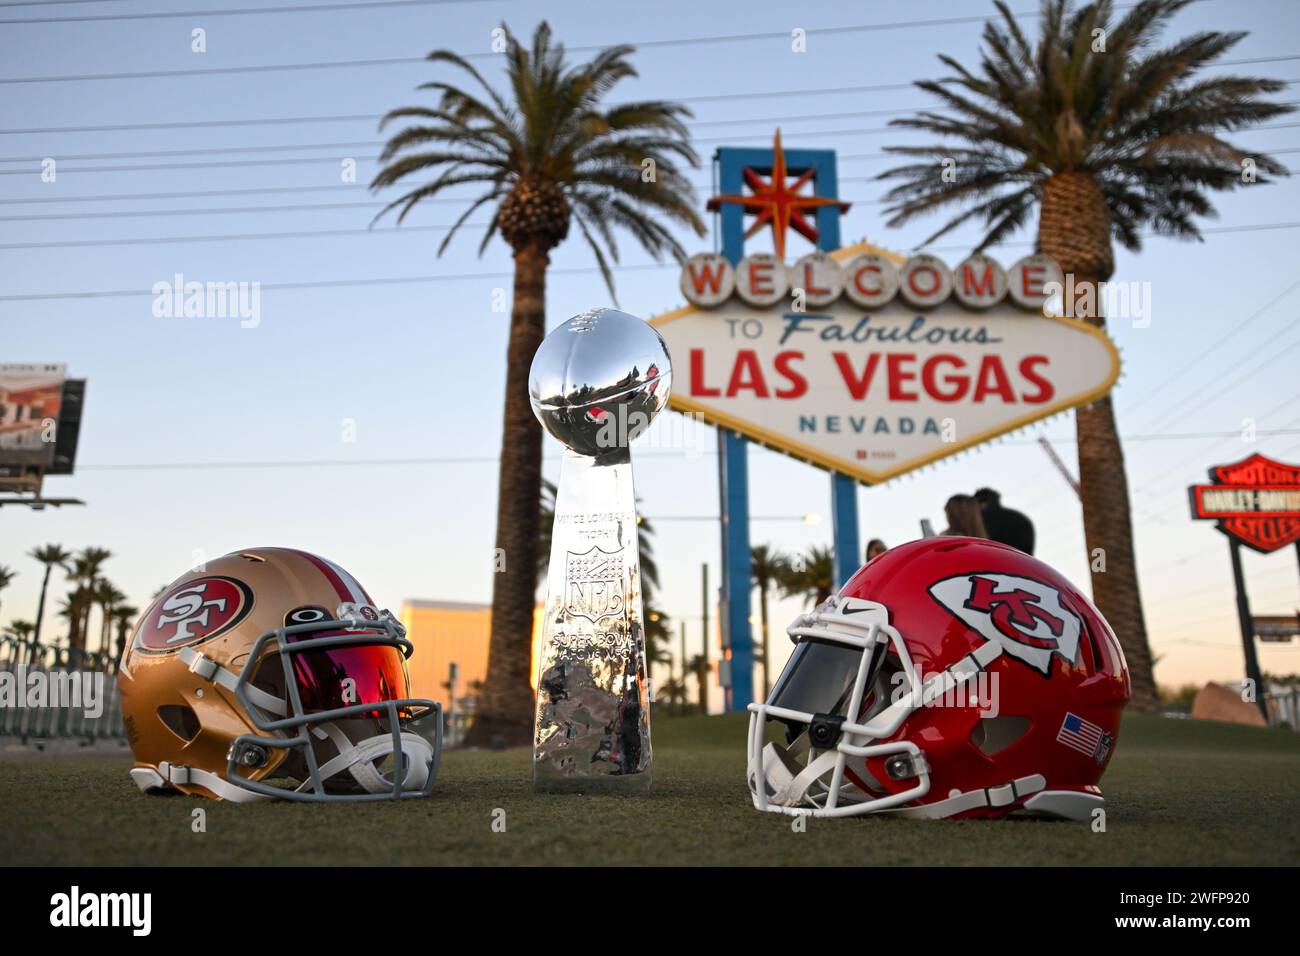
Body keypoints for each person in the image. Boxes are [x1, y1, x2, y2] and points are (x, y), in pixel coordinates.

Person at [974, 487, 1036, 555]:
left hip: (1005, 558)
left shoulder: (989, 518)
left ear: (983, 503)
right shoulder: (1016, 516)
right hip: (1024, 560)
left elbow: (985, 544)